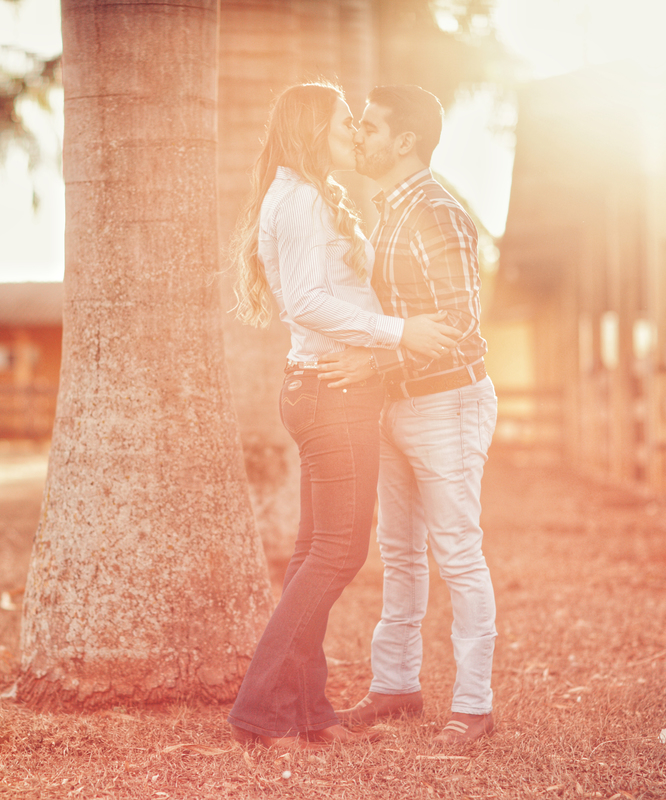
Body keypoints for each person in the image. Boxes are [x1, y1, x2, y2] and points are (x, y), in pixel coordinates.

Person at [226, 82, 460, 749]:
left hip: (323, 387)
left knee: (312, 553)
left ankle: (307, 712)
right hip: (332, 393)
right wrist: (399, 332)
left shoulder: (305, 193)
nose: (354, 134)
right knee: (339, 553)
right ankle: (258, 709)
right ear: (312, 130)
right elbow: (305, 303)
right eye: (343, 124)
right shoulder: (297, 198)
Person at [319, 84, 499, 746]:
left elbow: (457, 325)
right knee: (399, 552)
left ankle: (474, 707)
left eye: (369, 126)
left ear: (405, 142)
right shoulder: (390, 209)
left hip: (446, 402)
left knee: (456, 551)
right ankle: (396, 688)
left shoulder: (436, 212)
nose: (357, 135)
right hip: (398, 405)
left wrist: (376, 366)